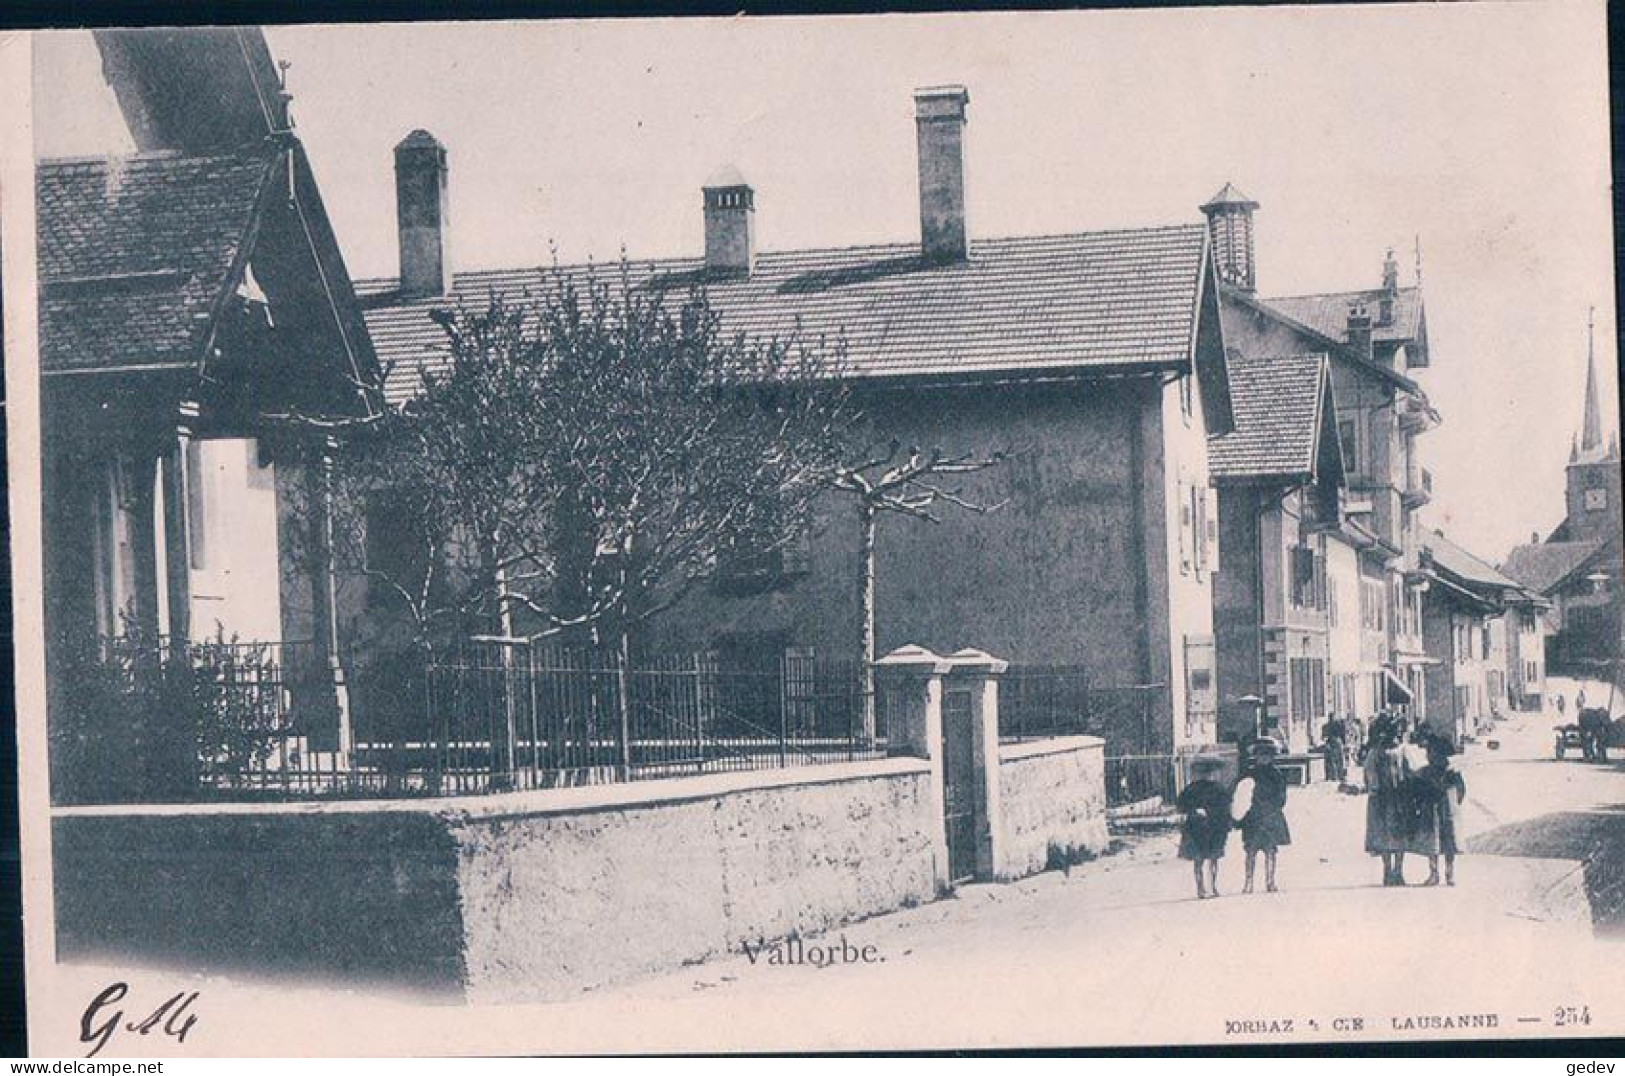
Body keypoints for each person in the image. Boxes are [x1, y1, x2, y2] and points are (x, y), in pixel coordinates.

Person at [1233, 740, 1292, 893]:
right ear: (1256, 756)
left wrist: (1271, 807)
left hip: (1270, 817)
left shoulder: (1276, 775)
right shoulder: (1248, 774)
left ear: (1272, 757)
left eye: (1267, 755)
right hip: (1252, 817)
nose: (1263, 758)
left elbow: (1281, 797)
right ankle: (1248, 882)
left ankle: (1270, 882)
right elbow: (1239, 793)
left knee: (1270, 850)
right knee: (1250, 851)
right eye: (1260, 754)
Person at [1364, 718, 1413, 885]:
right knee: (1384, 834)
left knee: (1399, 834)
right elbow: (1370, 773)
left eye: (1397, 732)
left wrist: (1410, 787)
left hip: (1399, 797)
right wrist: (1375, 788)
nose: (1395, 735)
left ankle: (1398, 871)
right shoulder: (1376, 752)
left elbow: (1408, 771)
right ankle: (1387, 870)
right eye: (1392, 731)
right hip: (1383, 798)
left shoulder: (1402, 750)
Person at [1177, 757, 1233, 900]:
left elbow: (1226, 809)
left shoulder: (1219, 789)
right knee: (1200, 859)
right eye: (1201, 772)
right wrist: (1194, 810)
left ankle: (1211, 887)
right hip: (1197, 828)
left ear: (1213, 773)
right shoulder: (1191, 789)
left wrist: (1226, 824)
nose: (1204, 775)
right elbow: (1181, 806)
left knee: (1211, 858)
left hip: (1213, 828)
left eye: (1207, 772)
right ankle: (1201, 888)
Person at [1414, 738, 1467, 886]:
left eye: (1431, 753)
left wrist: (1454, 804)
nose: (1428, 756)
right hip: (1437, 809)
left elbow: (1461, 790)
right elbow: (1462, 790)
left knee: (1446, 841)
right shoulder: (1427, 771)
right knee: (1435, 842)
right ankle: (1437, 873)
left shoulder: (1451, 772)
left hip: (1444, 809)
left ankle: (1446, 873)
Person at [1321, 716, 1348, 784]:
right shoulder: (1338, 724)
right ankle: (1339, 775)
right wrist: (1344, 743)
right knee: (1339, 760)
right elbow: (1343, 734)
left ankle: (1333, 776)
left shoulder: (1326, 726)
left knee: (1332, 760)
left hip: (1331, 742)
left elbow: (1323, 737)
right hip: (1336, 742)